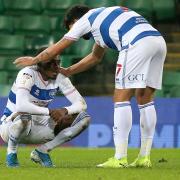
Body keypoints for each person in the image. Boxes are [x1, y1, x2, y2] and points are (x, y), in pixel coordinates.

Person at [14, 5, 167, 168]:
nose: (76, 33)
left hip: (135, 44)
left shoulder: (86, 19)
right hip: (157, 42)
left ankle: (120, 158)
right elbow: (95, 57)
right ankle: (144, 158)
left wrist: (34, 60)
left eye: (70, 27)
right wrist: (69, 71)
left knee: (121, 97)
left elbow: (59, 46)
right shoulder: (103, 19)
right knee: (145, 99)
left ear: (75, 21)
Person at [0, 47, 90, 167]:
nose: (55, 67)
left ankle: (42, 151)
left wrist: (64, 110)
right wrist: (49, 111)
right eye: (50, 63)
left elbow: (82, 104)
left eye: (57, 62)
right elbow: (21, 105)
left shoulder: (60, 77)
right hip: (10, 126)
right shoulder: (27, 73)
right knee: (24, 115)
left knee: (84, 118)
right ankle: (11, 153)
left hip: (38, 126)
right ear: (40, 64)